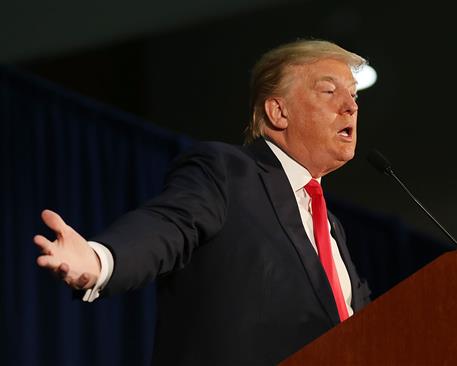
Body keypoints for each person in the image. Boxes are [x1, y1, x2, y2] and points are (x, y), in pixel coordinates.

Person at [33, 39, 371, 365]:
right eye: (329, 91)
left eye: (353, 96)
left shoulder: (330, 226)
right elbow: (169, 225)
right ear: (278, 111)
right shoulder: (228, 171)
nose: (351, 106)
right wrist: (99, 260)